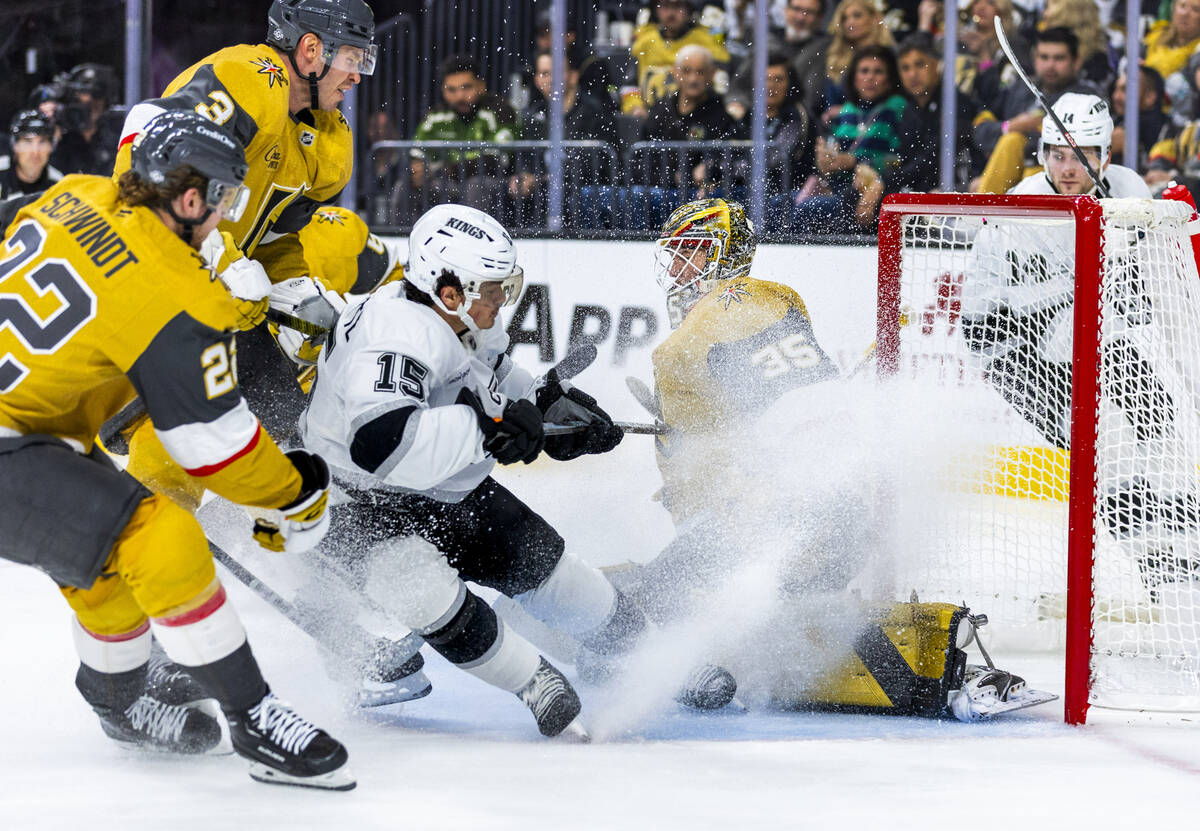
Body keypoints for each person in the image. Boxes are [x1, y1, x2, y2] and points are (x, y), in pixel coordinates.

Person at [0, 110, 350, 790]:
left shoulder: (71, 191)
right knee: (158, 533)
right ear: (189, 200)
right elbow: (215, 448)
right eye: (222, 199)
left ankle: (118, 703)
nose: (224, 216)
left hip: (32, 423)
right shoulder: (174, 292)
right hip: (17, 441)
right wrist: (294, 495)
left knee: (103, 569)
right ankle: (256, 717)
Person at [296, 203, 738, 734]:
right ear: (449, 288)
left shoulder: (450, 314)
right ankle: (533, 681)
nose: (501, 299)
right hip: (354, 505)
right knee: (424, 588)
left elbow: (495, 376)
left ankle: (655, 658)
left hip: (434, 487)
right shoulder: (395, 333)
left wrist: (552, 410)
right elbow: (382, 446)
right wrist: (490, 430)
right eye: (491, 288)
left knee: (558, 575)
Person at [615, 197, 1035, 719]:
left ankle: (700, 655)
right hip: (852, 526)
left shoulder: (675, 351)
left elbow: (693, 491)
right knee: (773, 586)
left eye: (689, 253)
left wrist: (676, 457)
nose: (677, 270)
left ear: (722, 255)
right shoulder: (785, 298)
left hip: (779, 534)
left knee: (642, 602)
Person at [110, 0, 375, 510]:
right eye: (353, 59)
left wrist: (294, 287)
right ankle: (159, 525)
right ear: (311, 49)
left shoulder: (327, 136)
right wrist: (218, 254)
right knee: (258, 423)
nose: (357, 77)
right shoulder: (249, 76)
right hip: (148, 274)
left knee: (300, 407)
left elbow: (279, 238)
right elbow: (147, 151)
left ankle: (310, 538)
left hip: (211, 304)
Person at [960, 94, 1198, 602]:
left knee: (1155, 410)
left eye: (1082, 154)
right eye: (1057, 154)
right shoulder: (1027, 211)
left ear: (1106, 155)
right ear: (1043, 153)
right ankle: (1148, 559)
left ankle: (1181, 535)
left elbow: (1144, 279)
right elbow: (1040, 319)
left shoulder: (1129, 189)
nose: (1067, 168)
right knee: (1102, 440)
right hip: (1007, 338)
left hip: (1079, 323)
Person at [971, 27, 1105, 194]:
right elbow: (979, 132)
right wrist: (1010, 126)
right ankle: (983, 212)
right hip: (1009, 177)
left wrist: (1029, 132)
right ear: (1035, 59)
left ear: (1076, 61)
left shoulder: (1086, 97)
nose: (1050, 65)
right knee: (1011, 140)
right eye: (1044, 57)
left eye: (1059, 58)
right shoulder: (1020, 89)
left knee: (1013, 143)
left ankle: (985, 208)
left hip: (1058, 176)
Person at [795, 44, 907, 233]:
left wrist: (855, 161)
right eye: (864, 71)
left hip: (868, 191)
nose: (870, 77)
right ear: (854, 78)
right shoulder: (847, 110)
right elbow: (831, 153)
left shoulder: (897, 107)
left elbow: (898, 160)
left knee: (807, 210)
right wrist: (824, 162)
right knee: (779, 202)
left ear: (889, 79)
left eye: (878, 72)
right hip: (835, 186)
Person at [398, 55, 518, 222]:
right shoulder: (437, 115)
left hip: (493, 185)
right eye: (452, 90)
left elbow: (497, 161)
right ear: (443, 90)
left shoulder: (501, 110)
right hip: (446, 184)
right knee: (405, 185)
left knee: (476, 186)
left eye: (466, 87)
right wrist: (417, 169)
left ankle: (473, 246)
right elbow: (416, 153)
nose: (459, 96)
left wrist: (447, 169)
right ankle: (403, 240)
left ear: (481, 86)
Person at [641, 44, 744, 192]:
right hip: (662, 193)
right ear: (675, 72)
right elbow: (639, 163)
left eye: (700, 72)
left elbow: (735, 160)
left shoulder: (721, 115)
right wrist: (673, 178)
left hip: (701, 197)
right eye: (686, 71)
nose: (693, 79)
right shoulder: (660, 110)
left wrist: (711, 169)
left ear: (712, 74)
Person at [889, 32, 983, 193]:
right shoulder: (910, 110)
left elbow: (934, 157)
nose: (912, 74)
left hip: (959, 191)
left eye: (920, 65)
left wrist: (886, 181)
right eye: (905, 68)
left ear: (937, 65)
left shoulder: (955, 103)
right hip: (920, 189)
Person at [724, 0, 831, 120]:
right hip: (754, 116)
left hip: (798, 119)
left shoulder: (825, 48)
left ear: (820, 17)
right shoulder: (767, 39)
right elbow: (740, 84)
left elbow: (812, 98)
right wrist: (737, 104)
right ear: (786, 10)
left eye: (809, 12)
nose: (801, 17)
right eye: (797, 9)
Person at [625, 0, 731, 117]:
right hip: (650, 116)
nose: (671, 13)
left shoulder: (708, 42)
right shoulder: (643, 42)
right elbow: (630, 86)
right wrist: (635, 108)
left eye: (678, 6)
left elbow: (720, 87)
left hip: (696, 116)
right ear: (655, 9)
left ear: (689, 8)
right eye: (665, 6)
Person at [49, 63, 125, 176]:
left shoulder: (118, 132)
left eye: (97, 94)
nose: (90, 99)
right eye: (84, 92)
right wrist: (50, 136)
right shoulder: (62, 133)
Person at [0, 110, 63, 200]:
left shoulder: (59, 184)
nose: (35, 151)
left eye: (42, 142)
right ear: (15, 145)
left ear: (52, 146)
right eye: (28, 141)